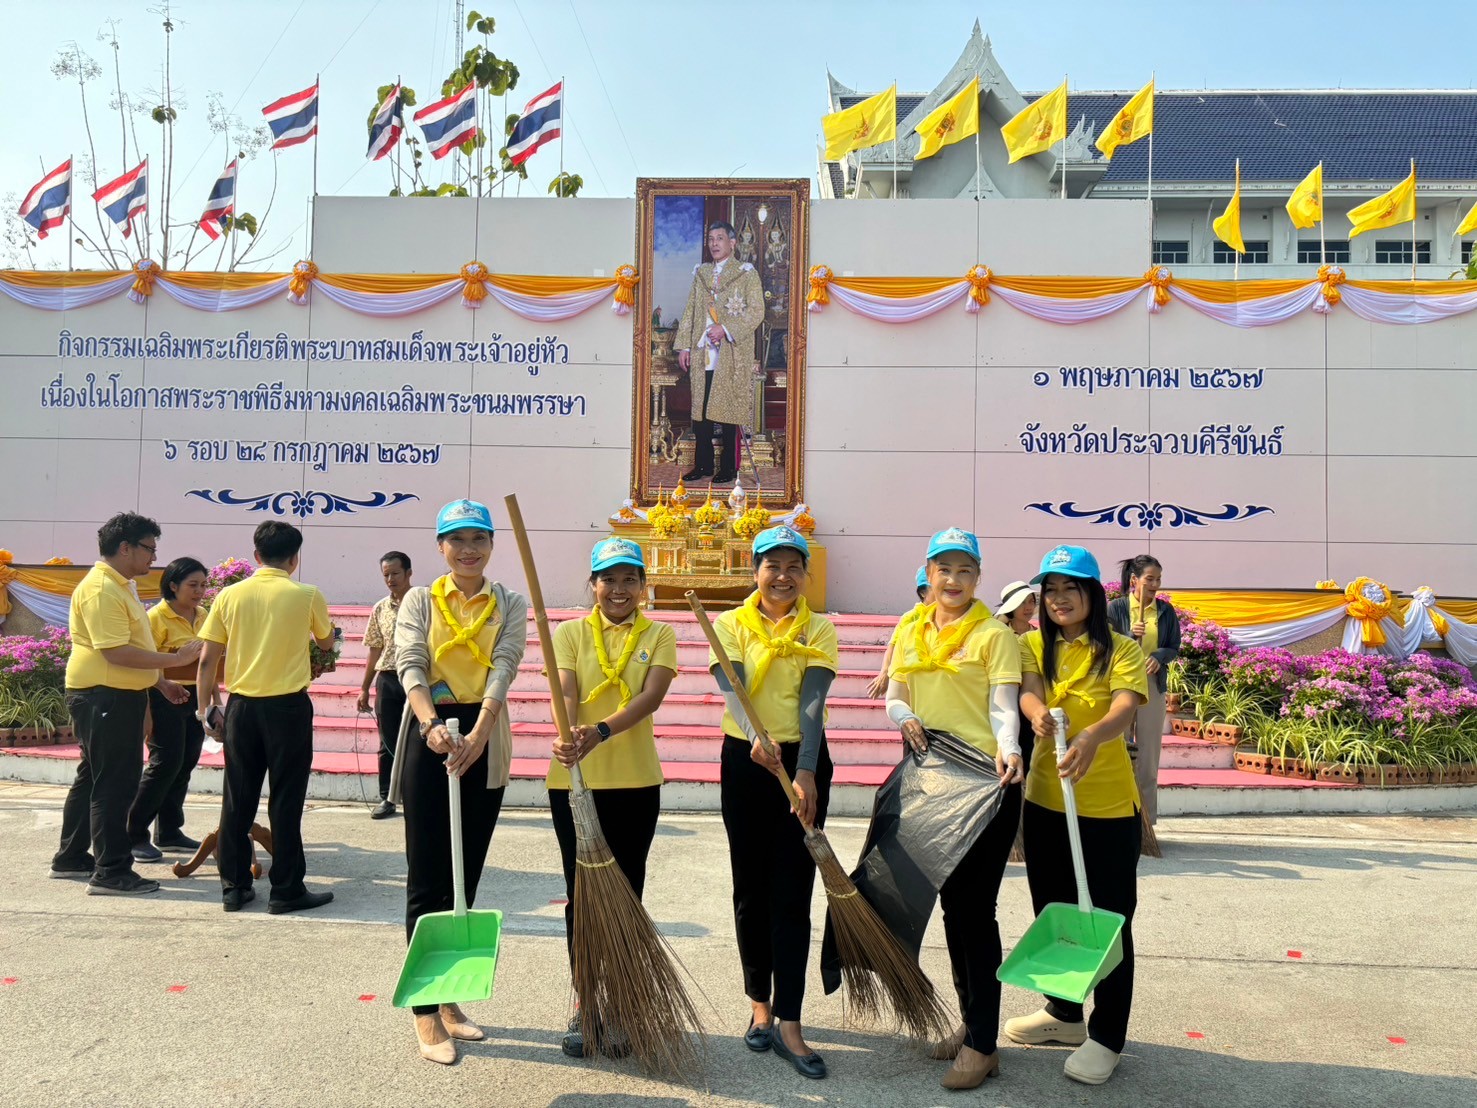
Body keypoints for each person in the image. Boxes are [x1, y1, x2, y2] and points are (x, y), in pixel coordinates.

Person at [884, 528, 1023, 1090]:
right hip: (931, 779)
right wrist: (903, 718)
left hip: (983, 781)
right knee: (949, 908)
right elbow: (896, 693)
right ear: (929, 572)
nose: (954, 580)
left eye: (965, 571)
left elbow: (1003, 706)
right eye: (944, 569)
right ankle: (972, 1029)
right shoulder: (910, 626)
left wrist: (1010, 748)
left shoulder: (993, 635)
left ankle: (984, 1044)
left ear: (979, 578)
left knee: (973, 911)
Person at [1008, 545, 1148, 1086]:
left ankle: (1107, 1035)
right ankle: (1064, 1014)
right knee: (1057, 910)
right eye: (1051, 590)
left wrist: (1091, 735)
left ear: (1093, 594)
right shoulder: (1030, 645)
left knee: (1108, 922)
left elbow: (1123, 706)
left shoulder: (1120, 650)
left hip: (1108, 808)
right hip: (1046, 802)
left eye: (1072, 588)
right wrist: (1038, 713)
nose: (1060, 599)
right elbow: (1028, 691)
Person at [394, 499, 527, 1065]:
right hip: (431, 733)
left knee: (465, 872)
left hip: (484, 736)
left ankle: (450, 1000)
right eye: (457, 539)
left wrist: (478, 732)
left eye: (479, 538)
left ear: (492, 544)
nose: (469, 549)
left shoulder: (509, 602)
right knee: (428, 875)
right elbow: (411, 662)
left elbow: (506, 661)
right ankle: (425, 1012)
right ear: (441, 546)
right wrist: (432, 727)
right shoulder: (419, 600)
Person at [710, 526, 837, 1080]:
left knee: (793, 891)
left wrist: (805, 770)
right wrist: (755, 737)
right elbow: (732, 687)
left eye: (793, 566)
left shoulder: (820, 627)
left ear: (805, 574)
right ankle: (759, 1001)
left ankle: (790, 1018)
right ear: (754, 570)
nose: (782, 576)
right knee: (750, 887)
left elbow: (812, 703)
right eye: (772, 565)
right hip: (746, 761)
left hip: (803, 763)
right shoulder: (729, 624)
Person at [550, 537, 677, 1058]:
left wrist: (600, 731)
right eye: (609, 579)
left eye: (629, 579)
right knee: (581, 899)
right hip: (575, 783)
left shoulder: (660, 633)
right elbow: (566, 687)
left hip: (635, 783)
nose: (619, 589)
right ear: (593, 584)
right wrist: (568, 727)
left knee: (627, 894)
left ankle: (622, 1003)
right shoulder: (569, 633)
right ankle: (585, 1005)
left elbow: (651, 697)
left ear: (643, 586)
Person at [50, 514, 202, 895]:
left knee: (95, 778)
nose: (153, 557)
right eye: (149, 548)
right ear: (125, 548)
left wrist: (160, 682)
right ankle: (112, 871)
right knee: (115, 785)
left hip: (113, 693)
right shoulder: (103, 588)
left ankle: (71, 858)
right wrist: (175, 660)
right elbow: (116, 651)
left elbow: (134, 647)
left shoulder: (121, 585)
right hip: (105, 694)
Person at [197, 521, 336, 915]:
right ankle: (286, 890)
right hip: (288, 708)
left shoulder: (229, 595)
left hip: (241, 707)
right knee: (286, 800)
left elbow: (208, 659)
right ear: (295, 559)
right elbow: (326, 642)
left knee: (237, 799)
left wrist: (207, 707)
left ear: (256, 555)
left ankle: (234, 888)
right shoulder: (307, 594)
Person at [127, 557, 209, 862]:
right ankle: (134, 834)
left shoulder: (203, 615)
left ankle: (170, 831)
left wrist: (212, 701)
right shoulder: (156, 617)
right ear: (172, 585)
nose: (199, 591)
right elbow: (147, 659)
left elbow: (209, 661)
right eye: (192, 585)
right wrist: (162, 686)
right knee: (165, 762)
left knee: (186, 761)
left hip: (194, 696)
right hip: (164, 695)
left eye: (203, 584)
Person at [675, 220, 766, 484]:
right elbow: (691, 310)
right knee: (700, 410)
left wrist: (725, 328)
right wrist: (684, 345)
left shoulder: (747, 273)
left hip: (731, 352)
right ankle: (702, 465)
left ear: (732, 243)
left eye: (720, 238)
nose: (714, 243)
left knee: (728, 408)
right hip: (702, 350)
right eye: (711, 239)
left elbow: (757, 311)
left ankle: (728, 468)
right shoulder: (701, 273)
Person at [1107, 555, 1181, 825]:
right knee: (1119, 749)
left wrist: (1159, 656)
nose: (1155, 584)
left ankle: (1146, 823)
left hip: (1152, 684)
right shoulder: (1115, 608)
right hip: (1121, 684)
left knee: (1148, 756)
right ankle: (1118, 817)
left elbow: (1174, 646)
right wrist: (1128, 635)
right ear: (1134, 580)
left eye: (1158, 579)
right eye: (1150, 579)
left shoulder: (1165, 611)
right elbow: (1102, 644)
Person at [358, 551, 413, 819]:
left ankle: (420, 796)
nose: (390, 579)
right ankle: (387, 798)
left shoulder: (426, 602)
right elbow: (374, 650)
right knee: (387, 742)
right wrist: (364, 687)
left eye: (395, 573)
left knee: (423, 740)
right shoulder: (380, 608)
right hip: (388, 680)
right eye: (386, 575)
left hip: (419, 680)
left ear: (408, 573)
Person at [866, 566, 932, 699]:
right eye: (935, 588)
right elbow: (893, 646)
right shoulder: (910, 618)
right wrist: (885, 673)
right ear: (923, 593)